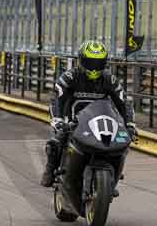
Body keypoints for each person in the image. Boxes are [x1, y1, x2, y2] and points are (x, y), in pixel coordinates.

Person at [40, 40, 137, 188]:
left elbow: (124, 103)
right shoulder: (69, 77)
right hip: (74, 122)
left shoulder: (109, 79)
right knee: (56, 142)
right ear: (81, 60)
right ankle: (50, 169)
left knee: (123, 144)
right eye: (90, 62)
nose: (94, 67)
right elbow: (56, 100)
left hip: (100, 122)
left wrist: (129, 124)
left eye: (98, 63)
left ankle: (113, 174)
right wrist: (58, 120)